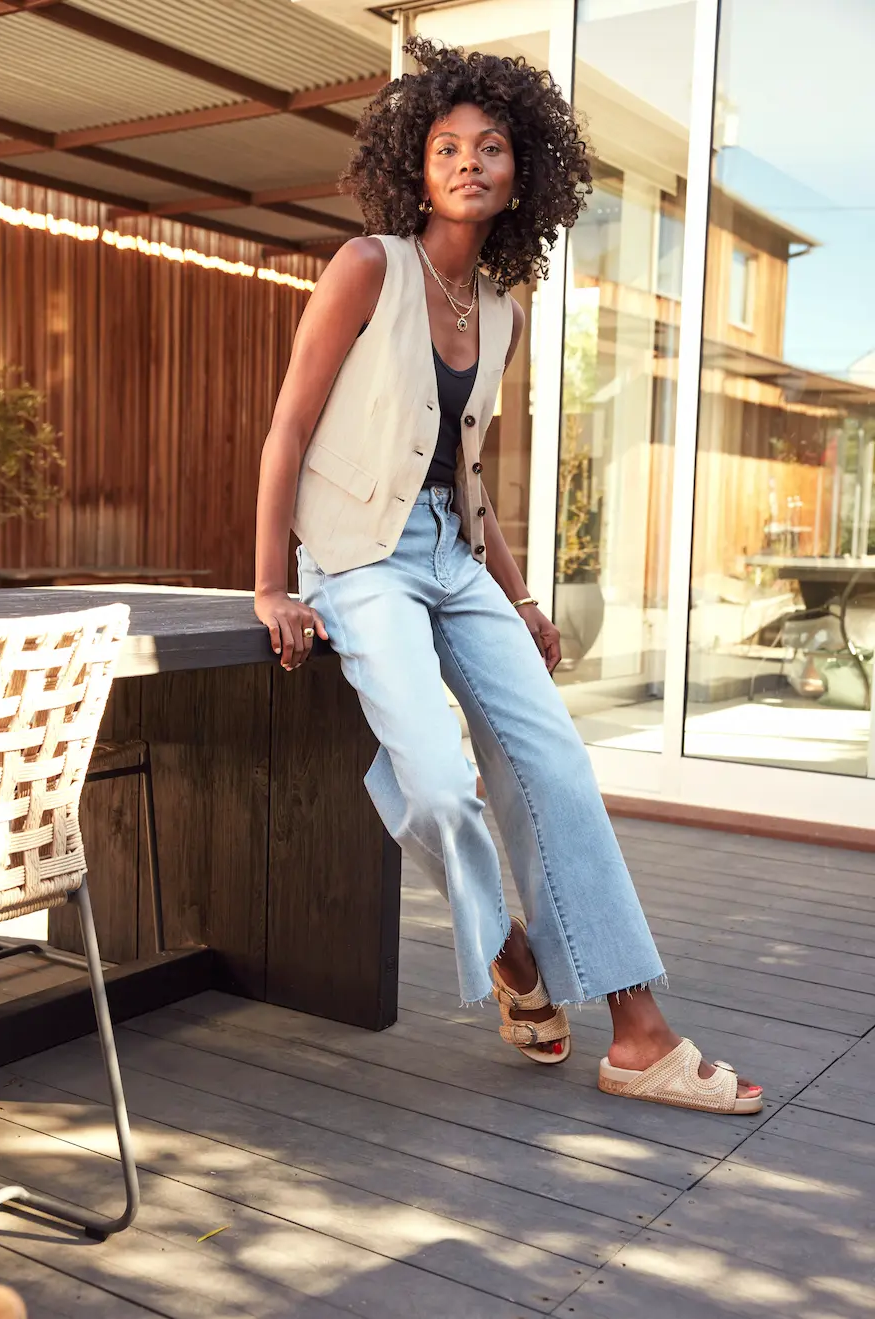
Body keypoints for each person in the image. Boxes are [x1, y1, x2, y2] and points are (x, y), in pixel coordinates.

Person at [255, 38, 762, 1114]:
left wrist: (521, 594)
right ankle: (514, 953)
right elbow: (289, 430)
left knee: (556, 768)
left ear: (522, 173)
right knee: (437, 784)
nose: (469, 161)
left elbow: (469, 473)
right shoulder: (367, 269)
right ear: (414, 163)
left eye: (491, 147)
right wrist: (269, 584)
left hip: (453, 555)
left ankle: (638, 1032)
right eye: (447, 146)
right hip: (357, 562)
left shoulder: (501, 311)